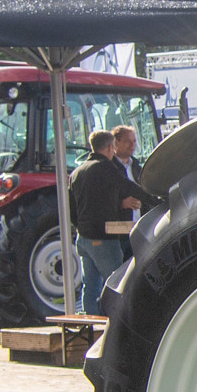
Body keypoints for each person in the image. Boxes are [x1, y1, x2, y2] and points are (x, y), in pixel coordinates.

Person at [65, 131, 134, 315]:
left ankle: (92, 325)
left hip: (83, 238)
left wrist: (81, 226)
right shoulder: (105, 167)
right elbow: (127, 186)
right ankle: (118, 324)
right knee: (117, 284)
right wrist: (152, 198)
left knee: (90, 286)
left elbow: (71, 208)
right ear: (111, 147)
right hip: (103, 237)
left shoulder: (77, 171)